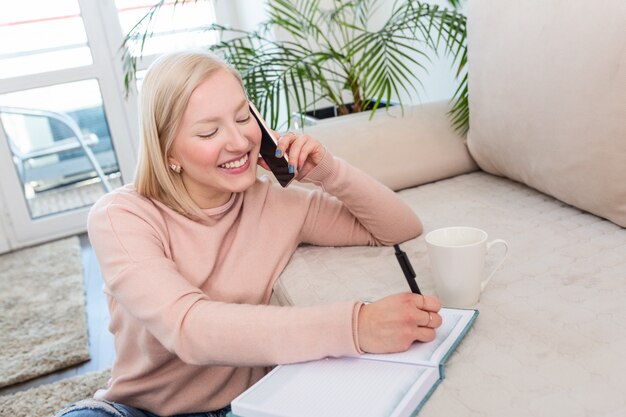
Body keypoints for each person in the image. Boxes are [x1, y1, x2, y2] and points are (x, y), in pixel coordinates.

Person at [57, 50, 442, 417]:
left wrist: (328, 171)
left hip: (247, 405)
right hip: (140, 410)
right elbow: (189, 329)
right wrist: (357, 326)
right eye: (209, 132)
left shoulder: (278, 204)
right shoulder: (122, 217)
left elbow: (399, 227)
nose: (239, 141)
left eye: (243, 117)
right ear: (168, 152)